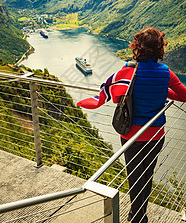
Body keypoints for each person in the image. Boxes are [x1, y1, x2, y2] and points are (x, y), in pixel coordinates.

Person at [77, 27, 186, 223]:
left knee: (134, 176)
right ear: (160, 48)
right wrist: (164, 92)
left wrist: (86, 102)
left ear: (137, 47)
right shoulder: (166, 73)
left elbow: (113, 95)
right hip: (156, 136)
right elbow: (183, 96)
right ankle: (139, 215)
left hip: (131, 135)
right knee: (147, 175)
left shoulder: (127, 71)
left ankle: (136, 217)